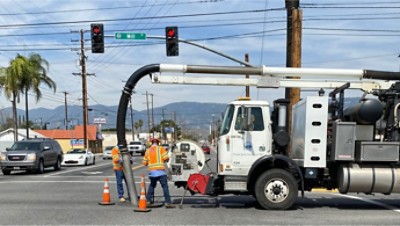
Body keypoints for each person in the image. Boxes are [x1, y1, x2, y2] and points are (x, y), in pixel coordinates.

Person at [143, 138, 175, 208]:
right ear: (158, 143)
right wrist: (168, 158)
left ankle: (148, 200)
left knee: (152, 185)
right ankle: (167, 202)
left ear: (151, 143)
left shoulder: (147, 151)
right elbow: (165, 158)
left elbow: (144, 163)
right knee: (165, 186)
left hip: (152, 172)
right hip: (160, 171)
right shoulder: (161, 149)